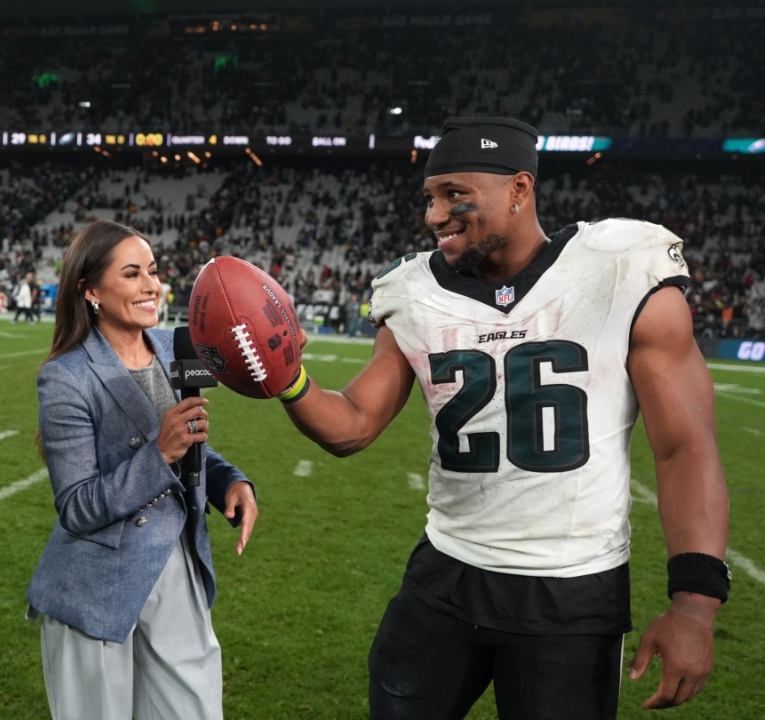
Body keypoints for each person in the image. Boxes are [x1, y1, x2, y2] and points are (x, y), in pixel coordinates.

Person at [273, 117, 729, 718]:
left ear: (519, 189)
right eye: (431, 198)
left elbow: (684, 448)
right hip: (445, 575)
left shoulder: (619, 267)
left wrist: (695, 605)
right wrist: (288, 379)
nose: (435, 215)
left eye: (455, 195)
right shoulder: (413, 291)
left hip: (571, 588)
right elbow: (353, 423)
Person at [26, 220, 259, 720]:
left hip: (178, 563)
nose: (150, 285)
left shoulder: (179, 347)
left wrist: (228, 482)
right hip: (97, 584)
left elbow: (190, 441)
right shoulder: (65, 376)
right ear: (91, 290)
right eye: (131, 274)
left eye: (152, 271)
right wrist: (160, 454)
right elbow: (77, 507)